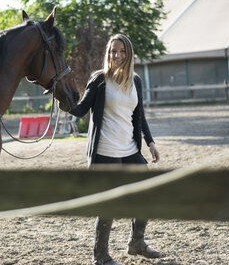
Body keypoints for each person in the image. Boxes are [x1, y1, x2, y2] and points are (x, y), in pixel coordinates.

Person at [69, 34, 161, 265]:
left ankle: (136, 242)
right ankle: (100, 256)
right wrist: (60, 96)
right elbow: (80, 110)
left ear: (128, 54)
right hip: (105, 152)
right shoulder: (99, 80)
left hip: (130, 150)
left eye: (121, 51)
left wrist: (150, 142)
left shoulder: (135, 81)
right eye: (112, 51)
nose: (116, 55)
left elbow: (139, 116)